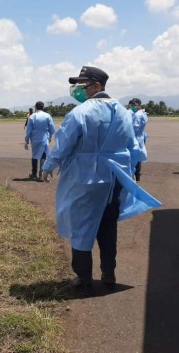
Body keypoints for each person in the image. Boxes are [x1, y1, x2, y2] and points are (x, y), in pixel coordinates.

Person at [41, 66, 161, 295]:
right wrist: (130, 171)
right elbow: (134, 147)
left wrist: (47, 167)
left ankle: (83, 278)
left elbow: (63, 145)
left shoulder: (80, 113)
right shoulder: (125, 113)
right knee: (107, 226)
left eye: (82, 84)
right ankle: (109, 273)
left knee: (81, 225)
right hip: (114, 178)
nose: (78, 89)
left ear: (97, 86)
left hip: (85, 178)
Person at [24, 101, 55, 179]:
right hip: (44, 137)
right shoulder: (47, 116)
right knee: (43, 155)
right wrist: (50, 137)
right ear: (43, 107)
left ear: (35, 107)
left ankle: (34, 174)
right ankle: (41, 173)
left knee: (35, 155)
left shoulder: (32, 116)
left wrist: (26, 141)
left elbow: (29, 130)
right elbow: (52, 128)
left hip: (35, 138)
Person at [128, 98, 148, 182]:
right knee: (137, 156)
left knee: (134, 157)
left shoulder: (138, 115)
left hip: (135, 138)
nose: (132, 106)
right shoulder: (142, 113)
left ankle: (134, 175)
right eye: (131, 104)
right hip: (140, 137)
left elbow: (134, 127)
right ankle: (137, 175)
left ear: (139, 105)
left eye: (134, 104)